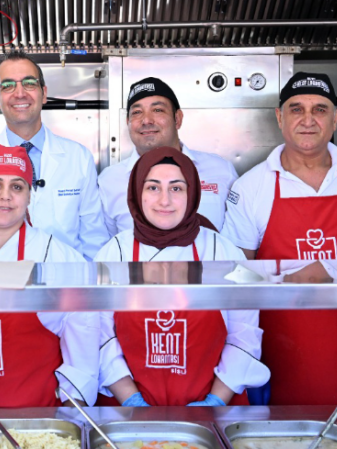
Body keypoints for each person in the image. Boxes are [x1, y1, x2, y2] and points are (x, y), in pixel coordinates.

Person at [222, 72, 337, 406]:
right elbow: (238, 281)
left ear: (335, 118)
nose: (308, 120)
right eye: (296, 109)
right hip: (280, 351)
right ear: (279, 117)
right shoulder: (250, 187)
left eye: (320, 109)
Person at [95, 146, 268, 407]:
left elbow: (244, 335)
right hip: (127, 415)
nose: (165, 200)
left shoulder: (222, 251)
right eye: (153, 187)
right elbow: (99, 335)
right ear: (136, 193)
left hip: (214, 414)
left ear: (192, 194)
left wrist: (215, 402)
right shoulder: (113, 254)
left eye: (176, 188)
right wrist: (130, 399)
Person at [0, 144, 98, 406]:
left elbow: (85, 332)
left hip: (41, 416)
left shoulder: (55, 256)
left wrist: (72, 407)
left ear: (29, 196)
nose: (5, 196)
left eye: (17, 187)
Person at [0, 51, 108, 259]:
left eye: (29, 83)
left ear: (43, 93)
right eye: (7, 86)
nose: (20, 93)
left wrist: (86, 286)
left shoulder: (78, 157)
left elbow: (94, 237)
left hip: (66, 281)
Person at [98, 77, 239, 236]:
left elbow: (238, 238)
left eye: (157, 110)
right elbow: (105, 246)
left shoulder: (221, 170)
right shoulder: (109, 181)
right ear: (128, 122)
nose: (146, 120)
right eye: (137, 112)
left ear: (177, 119)